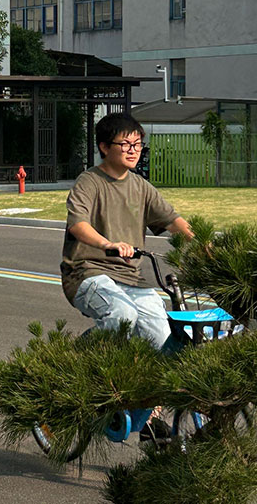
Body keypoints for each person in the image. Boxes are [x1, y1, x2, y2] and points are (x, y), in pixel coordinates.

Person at [61, 112, 194, 352]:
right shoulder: (89, 181)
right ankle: (78, 355)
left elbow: (174, 222)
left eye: (138, 144)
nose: (133, 150)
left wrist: (207, 246)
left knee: (163, 338)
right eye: (125, 144)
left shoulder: (141, 186)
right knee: (123, 314)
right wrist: (107, 244)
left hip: (132, 278)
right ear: (104, 147)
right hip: (88, 274)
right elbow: (77, 225)